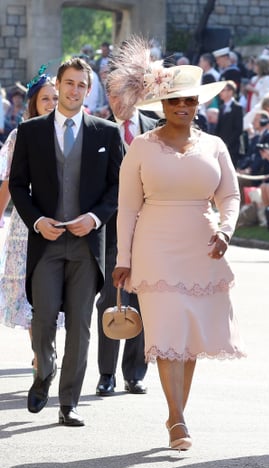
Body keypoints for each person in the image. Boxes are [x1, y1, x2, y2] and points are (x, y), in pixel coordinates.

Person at [110, 40, 245, 449]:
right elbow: (127, 207)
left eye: (188, 100)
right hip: (155, 251)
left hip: (203, 250)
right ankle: (177, 419)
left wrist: (225, 231)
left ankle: (176, 415)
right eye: (174, 101)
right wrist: (123, 258)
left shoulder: (215, 145)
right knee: (167, 334)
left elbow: (231, 196)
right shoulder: (140, 147)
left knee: (187, 341)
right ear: (162, 105)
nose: (182, 107)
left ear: (197, 104)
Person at [9, 57, 123, 427]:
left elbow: (117, 187)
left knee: (81, 324)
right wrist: (37, 221)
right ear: (58, 85)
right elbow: (17, 186)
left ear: (89, 91)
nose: (74, 91)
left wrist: (93, 219)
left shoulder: (106, 133)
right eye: (69, 83)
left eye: (81, 86)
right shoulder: (31, 131)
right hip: (46, 242)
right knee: (42, 319)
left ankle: (68, 401)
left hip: (87, 245)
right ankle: (44, 371)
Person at [93, 66, 159, 397]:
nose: (122, 100)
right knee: (111, 298)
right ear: (109, 97)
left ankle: (135, 372)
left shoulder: (155, 127)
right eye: (115, 94)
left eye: (128, 92)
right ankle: (106, 373)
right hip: (110, 231)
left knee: (145, 300)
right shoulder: (99, 131)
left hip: (151, 230)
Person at [0, 70, 60, 359]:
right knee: (28, 291)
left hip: (60, 219)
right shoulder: (19, 135)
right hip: (25, 223)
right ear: (34, 102)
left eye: (55, 98)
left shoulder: (69, 133)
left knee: (55, 288)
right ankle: (40, 352)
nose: (50, 103)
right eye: (45, 98)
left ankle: (47, 347)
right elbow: (9, 182)